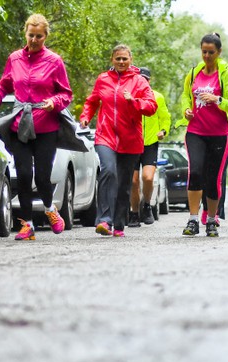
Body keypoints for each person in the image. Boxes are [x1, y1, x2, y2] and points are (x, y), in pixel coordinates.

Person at [0, 13, 72, 241]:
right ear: (25, 33)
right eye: (31, 35)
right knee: (23, 175)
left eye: (39, 36)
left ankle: (51, 210)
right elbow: (3, 84)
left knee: (42, 177)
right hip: (20, 124)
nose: (34, 40)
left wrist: (54, 102)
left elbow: (66, 94)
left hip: (46, 125)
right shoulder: (14, 58)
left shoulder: (55, 61)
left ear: (45, 37)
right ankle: (27, 225)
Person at [79, 44, 157, 237]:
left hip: (130, 139)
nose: (121, 62)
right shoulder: (103, 79)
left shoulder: (139, 81)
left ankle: (119, 224)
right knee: (108, 170)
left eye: (125, 58)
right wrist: (86, 116)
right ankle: (104, 221)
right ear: (112, 59)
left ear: (131, 59)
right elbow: (92, 101)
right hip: (105, 135)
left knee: (124, 183)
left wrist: (134, 101)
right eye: (118, 58)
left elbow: (151, 106)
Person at [178, 32, 228, 237]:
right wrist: (186, 110)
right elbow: (185, 96)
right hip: (195, 131)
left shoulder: (225, 74)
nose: (206, 56)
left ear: (219, 52)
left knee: (213, 179)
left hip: (219, 134)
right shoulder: (194, 72)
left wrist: (216, 99)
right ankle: (193, 220)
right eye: (204, 51)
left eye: (211, 52)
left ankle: (211, 220)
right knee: (195, 173)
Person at [129, 67, 170, 227]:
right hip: (132, 143)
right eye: (139, 79)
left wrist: (163, 130)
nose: (142, 82)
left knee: (147, 177)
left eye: (145, 79)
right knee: (132, 182)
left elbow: (165, 117)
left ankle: (147, 205)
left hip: (150, 143)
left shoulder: (157, 97)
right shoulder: (129, 96)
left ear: (149, 81)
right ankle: (133, 213)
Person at [201, 111, 228, 225]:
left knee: (219, 178)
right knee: (205, 176)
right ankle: (205, 209)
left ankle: (216, 213)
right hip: (205, 140)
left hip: (224, 142)